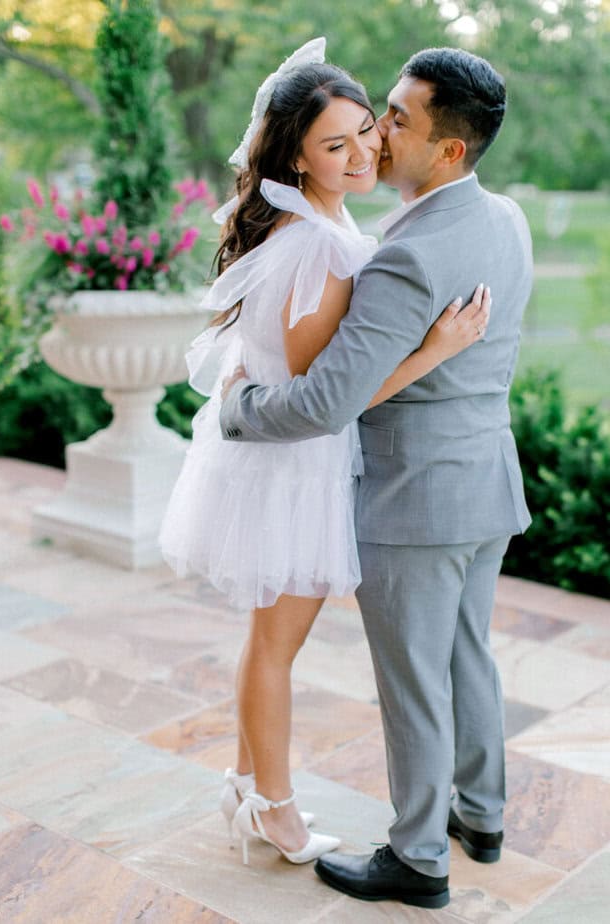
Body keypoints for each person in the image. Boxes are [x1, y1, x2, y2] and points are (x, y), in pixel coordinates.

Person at [160, 38, 489, 869]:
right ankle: (274, 808)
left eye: (363, 133)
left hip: (292, 459)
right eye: (332, 145)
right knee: (276, 646)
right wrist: (435, 351)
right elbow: (327, 397)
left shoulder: (327, 225)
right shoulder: (321, 244)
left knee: (268, 639)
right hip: (292, 469)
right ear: (297, 159)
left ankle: (244, 785)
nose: (360, 152)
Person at [219, 47, 532, 907]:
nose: (380, 132)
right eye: (380, 112)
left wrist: (236, 413)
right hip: (487, 481)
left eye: (398, 119)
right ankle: (483, 814)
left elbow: (324, 403)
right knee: (468, 656)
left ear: (448, 151)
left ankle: (419, 857)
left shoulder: (401, 254)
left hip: (413, 498)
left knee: (414, 680)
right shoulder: (506, 218)